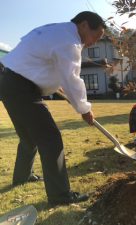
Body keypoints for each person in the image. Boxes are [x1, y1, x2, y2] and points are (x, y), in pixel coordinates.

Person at [0, 11, 107, 205]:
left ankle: (22, 176)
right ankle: (60, 196)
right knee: (51, 138)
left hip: (8, 82)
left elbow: (42, 63)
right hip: (21, 88)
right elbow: (72, 79)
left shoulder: (57, 30)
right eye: (95, 36)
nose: (94, 42)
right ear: (83, 25)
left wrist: (53, 83)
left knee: (29, 137)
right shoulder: (70, 42)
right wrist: (84, 109)